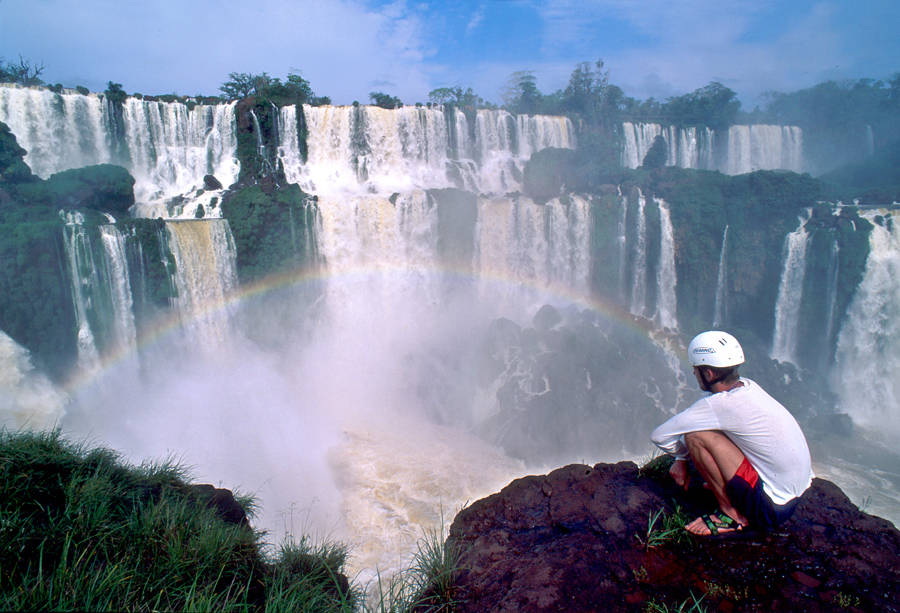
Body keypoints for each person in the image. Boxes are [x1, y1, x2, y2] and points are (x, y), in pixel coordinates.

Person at [650, 331, 813, 536]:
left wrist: (681, 458)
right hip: (794, 495)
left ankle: (731, 516)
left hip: (771, 510)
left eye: (696, 369)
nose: (693, 374)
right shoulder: (749, 387)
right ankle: (733, 491)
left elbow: (659, 435)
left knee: (696, 436)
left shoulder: (719, 405)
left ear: (708, 374)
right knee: (716, 431)